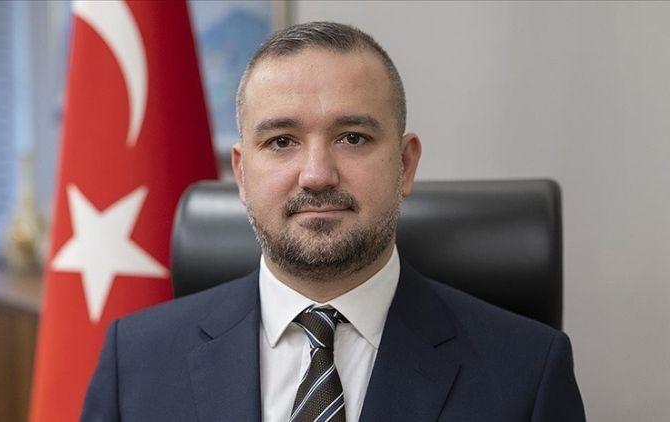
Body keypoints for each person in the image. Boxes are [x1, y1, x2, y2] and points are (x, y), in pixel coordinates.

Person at [82, 22, 585, 421]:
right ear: (241, 174)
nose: (317, 175)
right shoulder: (138, 361)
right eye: (282, 141)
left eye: (352, 138)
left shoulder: (527, 372)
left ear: (405, 164)